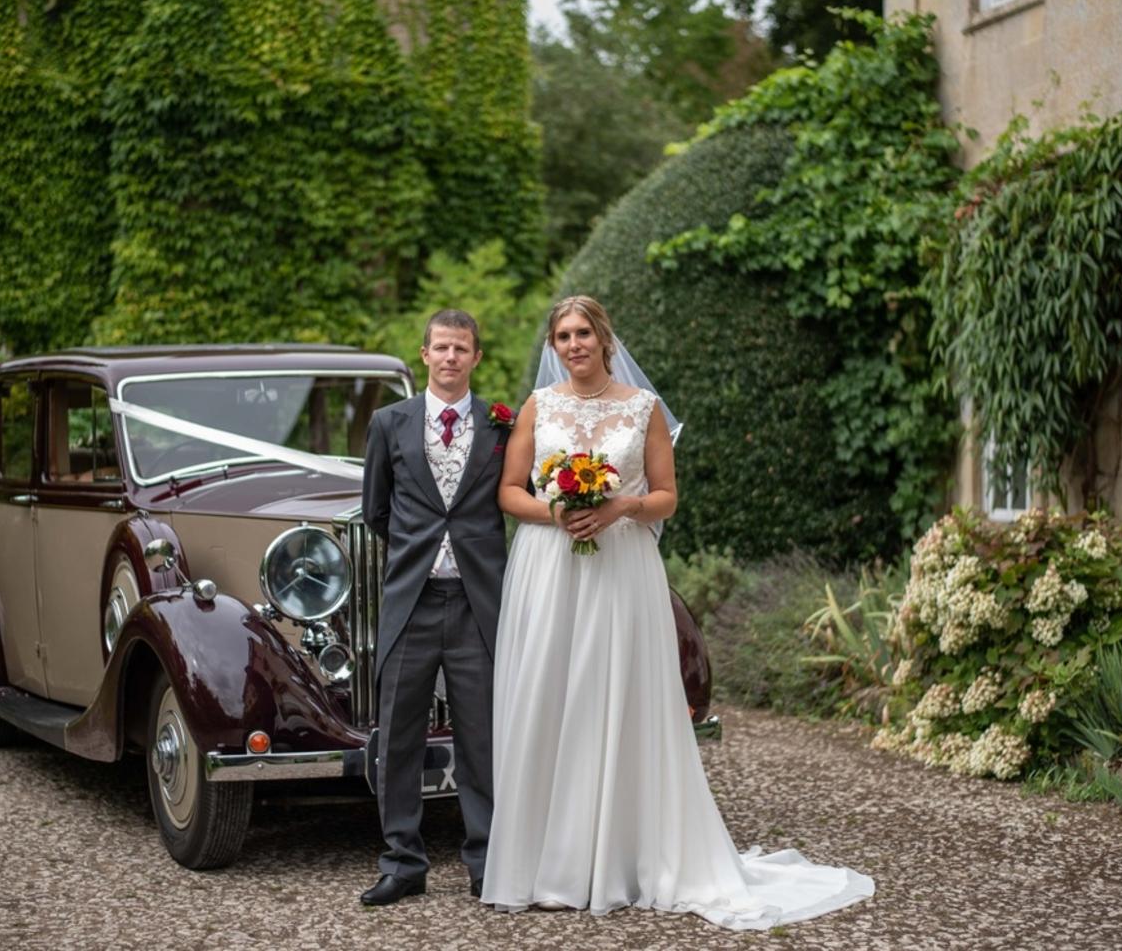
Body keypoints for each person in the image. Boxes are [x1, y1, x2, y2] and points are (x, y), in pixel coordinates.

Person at [481, 295, 874, 929]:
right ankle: (544, 867)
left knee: (615, 699)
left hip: (622, 569)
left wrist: (619, 508)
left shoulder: (644, 410)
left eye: (584, 333)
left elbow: (666, 497)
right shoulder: (538, 406)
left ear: (606, 340)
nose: (574, 344)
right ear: (552, 345)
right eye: (563, 335)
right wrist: (558, 513)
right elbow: (509, 491)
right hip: (548, 569)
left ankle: (622, 859)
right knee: (550, 697)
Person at [359, 309, 509, 906]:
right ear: (424, 354)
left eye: (461, 348)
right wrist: (419, 553)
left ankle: (487, 860)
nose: (450, 357)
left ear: (476, 357)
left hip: (478, 602)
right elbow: (377, 511)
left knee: (482, 735)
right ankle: (401, 862)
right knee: (397, 736)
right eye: (441, 347)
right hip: (413, 600)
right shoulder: (387, 423)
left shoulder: (503, 425)